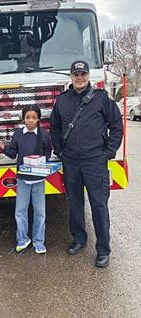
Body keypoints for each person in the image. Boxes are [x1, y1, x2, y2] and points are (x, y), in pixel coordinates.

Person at [50, 60, 123, 268]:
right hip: (71, 161)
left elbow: (116, 125)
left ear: (89, 75)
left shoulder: (101, 99)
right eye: (76, 74)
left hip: (94, 161)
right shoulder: (62, 101)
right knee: (74, 204)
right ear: (71, 77)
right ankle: (79, 239)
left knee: (99, 205)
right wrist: (60, 152)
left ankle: (103, 249)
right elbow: (54, 128)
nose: (79, 78)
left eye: (83, 74)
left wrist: (108, 152)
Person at [0, 104, 52, 254]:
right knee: (20, 211)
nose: (31, 120)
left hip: (39, 179)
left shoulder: (45, 135)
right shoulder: (18, 134)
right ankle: (22, 239)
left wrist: (37, 163)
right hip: (22, 179)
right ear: (23, 119)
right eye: (28, 117)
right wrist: (2, 145)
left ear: (39, 118)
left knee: (40, 212)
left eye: (34, 117)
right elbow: (13, 153)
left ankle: (39, 241)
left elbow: (48, 153)